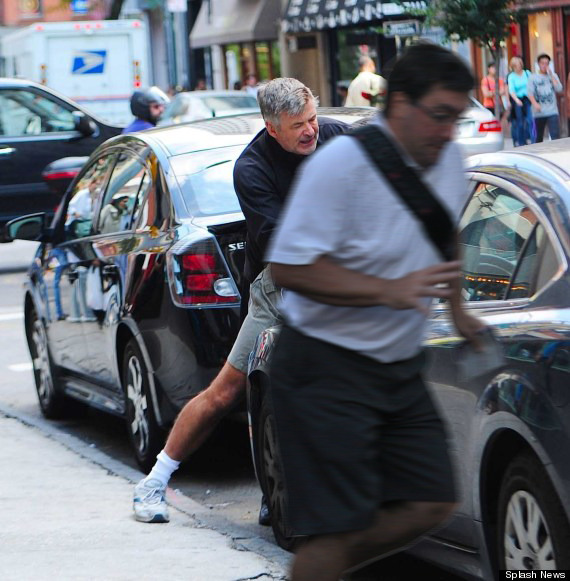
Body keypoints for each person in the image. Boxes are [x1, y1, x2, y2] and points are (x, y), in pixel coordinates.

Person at [266, 43, 484, 581]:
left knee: (432, 502)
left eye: (457, 118)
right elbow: (290, 269)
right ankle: (320, 564)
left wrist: (457, 313)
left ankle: (320, 568)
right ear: (401, 104)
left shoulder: (449, 161)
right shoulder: (341, 165)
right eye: (439, 116)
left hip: (396, 363)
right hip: (322, 366)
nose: (448, 132)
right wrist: (387, 290)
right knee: (336, 530)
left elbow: (443, 232)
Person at [132, 77, 348, 524]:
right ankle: (154, 482)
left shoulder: (336, 137)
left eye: (312, 118)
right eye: (298, 126)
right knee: (227, 391)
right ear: (273, 128)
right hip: (279, 286)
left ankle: (284, 487)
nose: (311, 131)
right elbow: (280, 241)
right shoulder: (252, 169)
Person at [528, 53, 563, 142]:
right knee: (538, 138)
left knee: (555, 137)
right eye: (542, 63)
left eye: (546, 63)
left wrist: (551, 75)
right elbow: (530, 93)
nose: (544, 65)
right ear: (538, 64)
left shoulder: (553, 76)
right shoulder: (533, 77)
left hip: (552, 111)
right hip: (539, 112)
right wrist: (535, 104)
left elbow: (559, 89)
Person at [507, 56, 534, 146]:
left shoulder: (527, 73)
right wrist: (516, 100)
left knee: (530, 120)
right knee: (520, 122)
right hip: (518, 99)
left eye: (519, 65)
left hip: (528, 99)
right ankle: (522, 142)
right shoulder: (511, 76)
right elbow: (511, 90)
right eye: (516, 66)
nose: (518, 67)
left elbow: (532, 84)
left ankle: (533, 140)